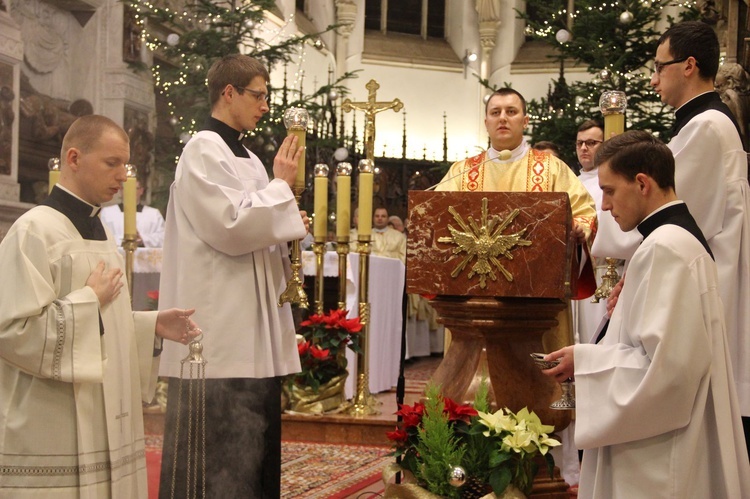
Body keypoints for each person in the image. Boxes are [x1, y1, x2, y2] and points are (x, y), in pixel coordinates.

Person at [0, 114, 200, 497]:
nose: (123, 176)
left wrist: (148, 325)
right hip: (50, 426)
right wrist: (88, 301)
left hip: (102, 417)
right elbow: (12, 332)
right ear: (74, 158)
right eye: (112, 163)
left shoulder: (102, 231)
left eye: (125, 164)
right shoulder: (34, 231)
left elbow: (104, 318)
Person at [544, 130, 750, 498]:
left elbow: (667, 375)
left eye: (608, 190)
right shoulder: (673, 239)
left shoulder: (665, 247)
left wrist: (585, 363)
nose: (604, 206)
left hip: (657, 457)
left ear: (641, 183)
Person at [592, 21, 750, 453]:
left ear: (689, 66)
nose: (653, 78)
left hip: (704, 287)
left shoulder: (706, 127)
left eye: (659, 67)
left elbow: (669, 216)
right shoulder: (707, 123)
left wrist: (616, 251)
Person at [157, 54, 309, 498]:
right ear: (229, 93)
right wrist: (280, 190)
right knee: (216, 452)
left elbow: (255, 226)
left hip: (250, 325)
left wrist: (284, 217)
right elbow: (229, 225)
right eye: (258, 95)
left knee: (251, 442)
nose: (265, 106)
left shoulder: (246, 157)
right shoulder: (203, 149)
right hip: (220, 328)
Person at [436, 88, 597, 353]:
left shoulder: (551, 168)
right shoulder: (463, 172)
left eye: (511, 112)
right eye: (495, 112)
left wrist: (580, 229)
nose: (502, 118)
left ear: (525, 121)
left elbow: (583, 211)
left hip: (537, 297)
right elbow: (437, 221)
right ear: (486, 121)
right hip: (473, 294)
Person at [100, 179, 166, 247]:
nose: (130, 192)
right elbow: (102, 236)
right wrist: (125, 239)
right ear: (121, 190)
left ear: (141, 191)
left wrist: (142, 239)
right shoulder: (108, 213)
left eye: (134, 188)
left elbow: (163, 237)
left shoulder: (154, 214)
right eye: (127, 188)